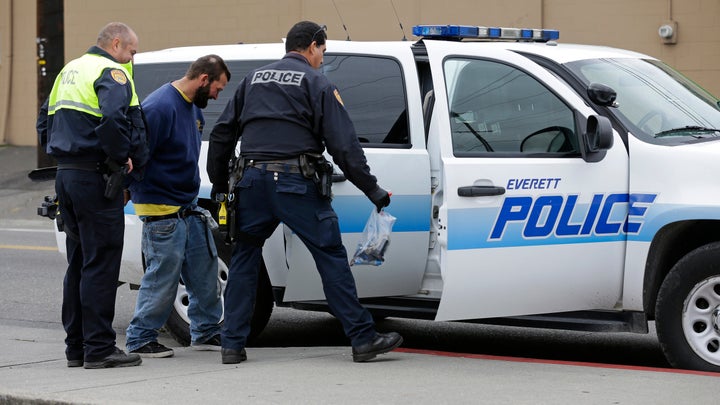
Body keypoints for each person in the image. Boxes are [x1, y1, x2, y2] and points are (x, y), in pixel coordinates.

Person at [207, 20, 402, 364]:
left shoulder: (253, 80)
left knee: (244, 259)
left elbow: (222, 133)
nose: (322, 59)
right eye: (323, 51)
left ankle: (232, 345)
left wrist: (221, 187)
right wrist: (372, 189)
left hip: (250, 182)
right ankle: (362, 337)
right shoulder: (317, 83)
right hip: (296, 185)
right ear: (312, 46)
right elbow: (343, 145)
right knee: (330, 256)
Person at [36, 22, 149, 369]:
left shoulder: (69, 70)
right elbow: (115, 118)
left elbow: (44, 122)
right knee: (101, 264)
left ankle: (77, 347)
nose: (131, 58)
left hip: (67, 176)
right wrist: (120, 160)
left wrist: (63, 156)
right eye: (131, 51)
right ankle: (99, 348)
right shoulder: (110, 71)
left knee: (80, 263)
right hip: (96, 179)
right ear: (116, 44)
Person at [125, 55, 231, 358]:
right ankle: (140, 338)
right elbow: (137, 157)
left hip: (188, 206)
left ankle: (207, 332)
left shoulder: (193, 108)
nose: (217, 95)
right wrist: (133, 192)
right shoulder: (159, 107)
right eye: (217, 89)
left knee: (205, 272)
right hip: (161, 211)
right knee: (163, 277)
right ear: (204, 79)